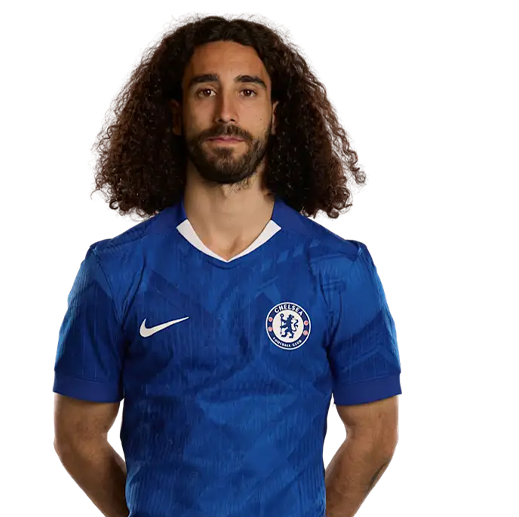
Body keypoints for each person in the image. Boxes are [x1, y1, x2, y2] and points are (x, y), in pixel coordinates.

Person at [54, 10, 400, 517]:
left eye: (247, 91)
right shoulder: (115, 271)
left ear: (275, 115)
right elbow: (77, 435)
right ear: (176, 116)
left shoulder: (339, 271)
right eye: (205, 90)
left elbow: (375, 432)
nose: (226, 112)